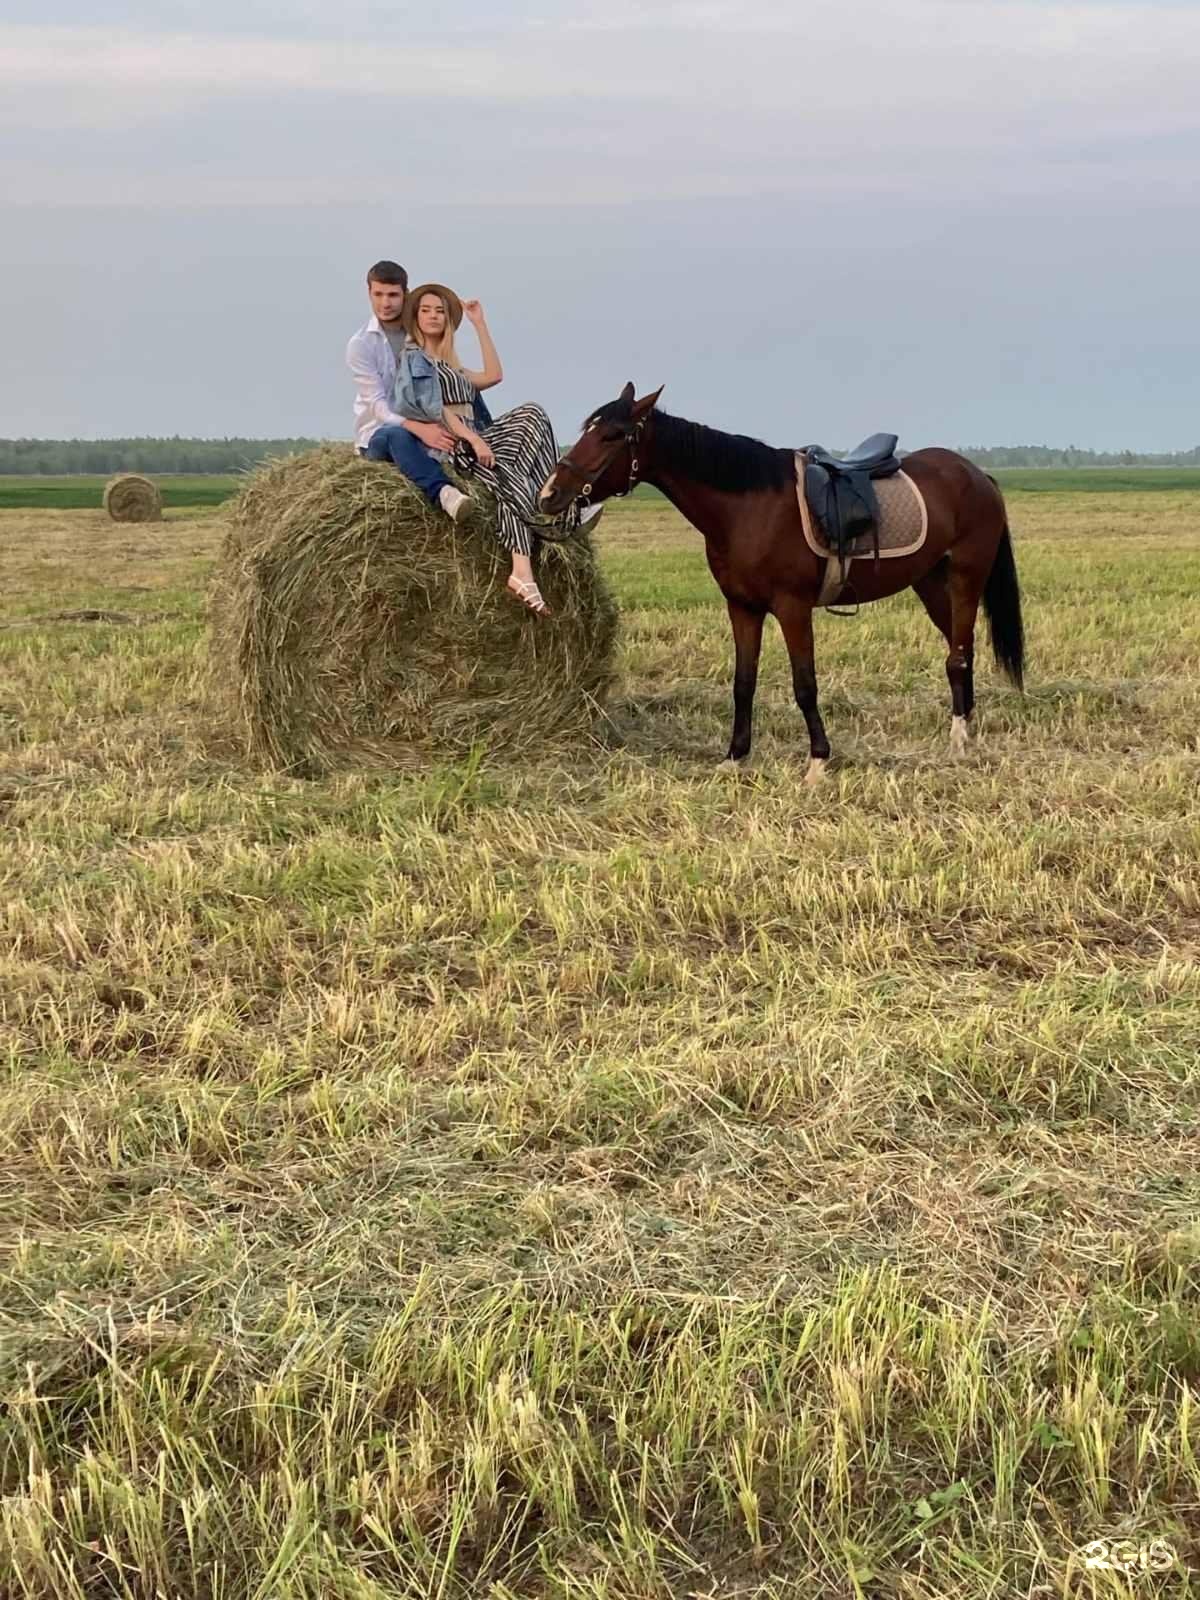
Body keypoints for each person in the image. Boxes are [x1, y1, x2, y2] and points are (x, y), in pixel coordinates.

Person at [401, 282, 597, 617]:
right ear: (415, 318)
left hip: (476, 435)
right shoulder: (415, 358)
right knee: (505, 473)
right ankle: (557, 519)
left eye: (440, 311)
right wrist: (474, 440)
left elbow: (495, 374)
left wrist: (479, 323)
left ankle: (525, 564)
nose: (433, 316)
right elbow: (437, 409)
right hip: (456, 444)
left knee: (529, 421)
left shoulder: (449, 364)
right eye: (426, 310)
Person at [345, 259, 487, 526]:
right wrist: (420, 429)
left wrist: (475, 322)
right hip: (381, 435)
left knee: (468, 391)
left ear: (405, 295)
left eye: (393, 295)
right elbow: (378, 407)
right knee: (395, 434)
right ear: (369, 293)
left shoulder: (418, 331)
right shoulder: (361, 344)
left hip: (429, 423)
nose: (385, 303)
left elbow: (444, 375)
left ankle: (499, 457)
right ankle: (445, 493)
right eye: (378, 294)